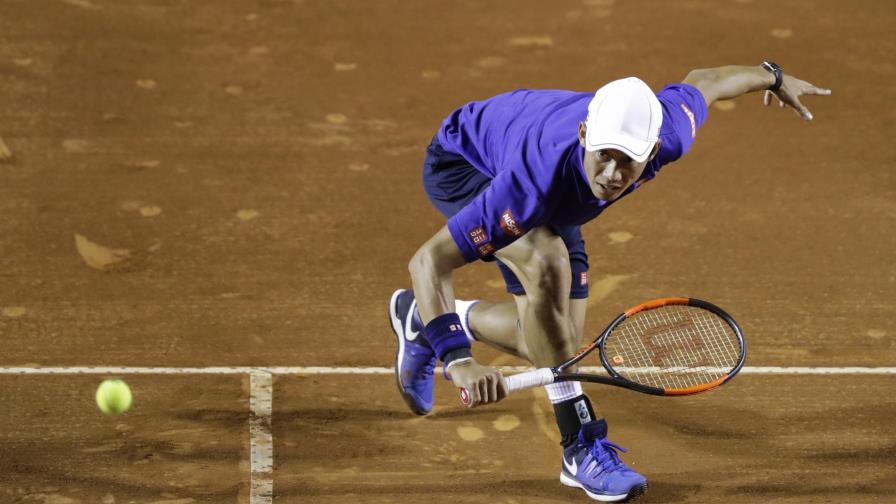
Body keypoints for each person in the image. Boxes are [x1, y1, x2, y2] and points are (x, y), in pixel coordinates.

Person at [389, 62, 830, 502]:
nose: (612, 176)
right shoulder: (530, 184)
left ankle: (422, 318)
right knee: (546, 261)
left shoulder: (669, 132)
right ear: (585, 134)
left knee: (553, 343)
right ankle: (579, 448)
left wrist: (773, 76)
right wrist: (458, 359)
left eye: (627, 161)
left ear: (653, 150)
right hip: (465, 163)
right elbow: (428, 261)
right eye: (604, 155)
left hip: (555, 183)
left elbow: (706, 81)